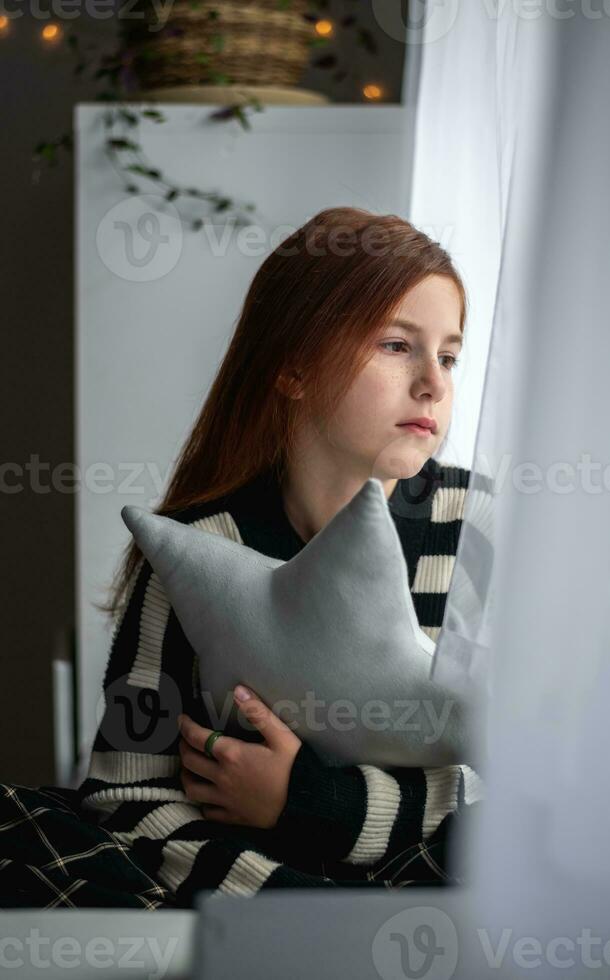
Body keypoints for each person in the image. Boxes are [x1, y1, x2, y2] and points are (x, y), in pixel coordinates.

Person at [76, 207, 484, 908]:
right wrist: (288, 910)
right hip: (251, 904)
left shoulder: (480, 534)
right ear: (292, 369)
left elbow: (534, 785)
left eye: (448, 356)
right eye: (395, 345)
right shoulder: (193, 550)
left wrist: (311, 802)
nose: (434, 384)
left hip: (430, 909)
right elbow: (126, 793)